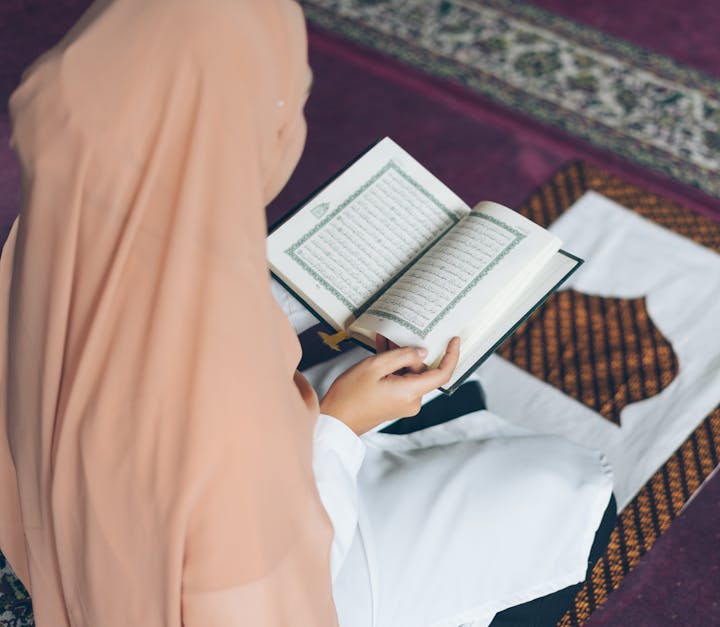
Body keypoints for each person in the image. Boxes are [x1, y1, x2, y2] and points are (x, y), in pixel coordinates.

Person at [0, 0, 613, 624]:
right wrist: (341, 426)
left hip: (85, 527)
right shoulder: (225, 430)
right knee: (565, 488)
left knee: (357, 367)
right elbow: (263, 602)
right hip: (246, 584)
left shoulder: (50, 225)